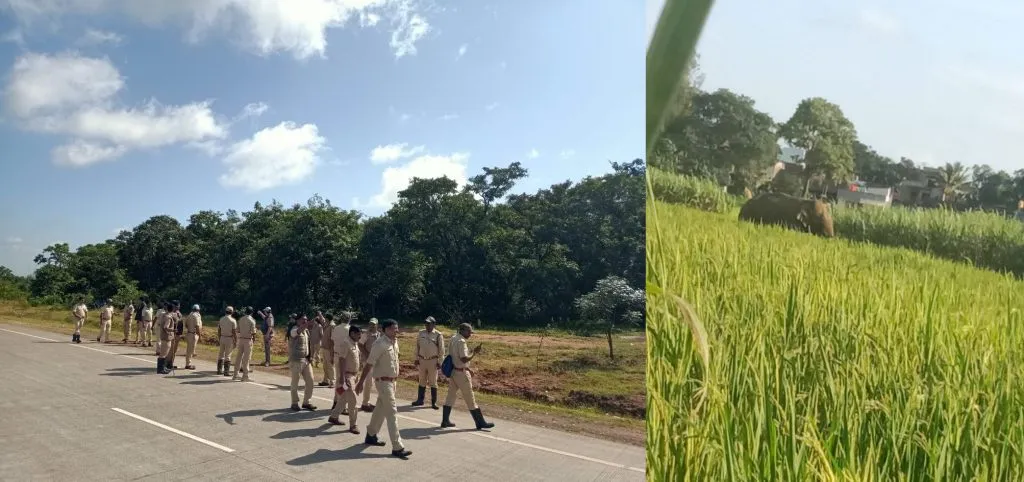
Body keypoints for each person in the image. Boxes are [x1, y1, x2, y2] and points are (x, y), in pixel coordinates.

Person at [355, 319, 411, 458]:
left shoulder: (394, 342)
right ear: (384, 330)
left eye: (397, 328)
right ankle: (397, 447)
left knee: (380, 409)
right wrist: (361, 382)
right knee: (392, 412)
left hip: (392, 382)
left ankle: (371, 434)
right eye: (393, 329)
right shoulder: (379, 344)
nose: (396, 331)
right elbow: (369, 364)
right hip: (383, 382)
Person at [440, 323, 494, 430]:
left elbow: (454, 357)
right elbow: (464, 359)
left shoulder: (453, 338)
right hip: (461, 374)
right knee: (470, 398)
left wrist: (468, 368)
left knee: (450, 396)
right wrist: (474, 353)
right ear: (462, 330)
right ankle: (480, 422)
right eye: (469, 332)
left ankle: (445, 420)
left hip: (454, 371)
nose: (470, 334)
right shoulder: (461, 342)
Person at [328, 325, 362, 433]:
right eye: (358, 333)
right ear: (352, 333)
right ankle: (353, 424)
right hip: (347, 376)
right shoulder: (345, 344)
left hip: (354, 375)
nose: (360, 336)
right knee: (353, 400)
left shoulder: (354, 343)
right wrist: (342, 378)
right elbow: (342, 360)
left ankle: (334, 417)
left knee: (344, 399)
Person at [412, 316, 445, 409]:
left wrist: (440, 361)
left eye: (429, 323)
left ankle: (434, 402)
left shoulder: (438, 335)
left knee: (433, 382)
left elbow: (441, 350)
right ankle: (420, 400)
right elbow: (417, 346)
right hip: (422, 360)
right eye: (426, 323)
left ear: (434, 324)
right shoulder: (421, 333)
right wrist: (416, 358)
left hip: (433, 361)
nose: (427, 325)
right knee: (421, 380)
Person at [288, 314, 317, 411]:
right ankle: (294, 403)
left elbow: (308, 344)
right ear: (297, 321)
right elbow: (298, 331)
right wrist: (307, 324)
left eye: (306, 319)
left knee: (311, 380)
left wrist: (310, 357)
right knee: (295, 382)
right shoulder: (293, 330)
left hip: (306, 360)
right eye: (303, 320)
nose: (305, 321)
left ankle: (306, 402)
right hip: (296, 360)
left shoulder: (306, 331)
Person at [358, 318, 381, 412]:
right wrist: (367, 354)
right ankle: (365, 403)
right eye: (370, 324)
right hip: (367, 361)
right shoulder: (366, 334)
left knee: (378, 381)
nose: (371, 326)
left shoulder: (379, 334)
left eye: (373, 324)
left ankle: (379, 402)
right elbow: (360, 345)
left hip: (377, 361)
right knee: (368, 382)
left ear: (377, 325)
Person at [232, 307, 257, 381]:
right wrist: (254, 339)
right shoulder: (252, 320)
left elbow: (238, 330)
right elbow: (253, 332)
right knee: (246, 358)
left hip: (241, 339)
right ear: (251, 312)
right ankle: (245, 376)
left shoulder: (241, 319)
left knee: (238, 357)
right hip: (248, 340)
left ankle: (235, 374)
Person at [217, 306, 238, 375]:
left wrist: (219, 338)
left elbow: (219, 330)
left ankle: (219, 370)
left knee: (221, 354)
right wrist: (236, 340)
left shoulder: (221, 319)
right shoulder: (233, 320)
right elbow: (234, 332)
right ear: (232, 312)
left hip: (222, 337)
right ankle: (226, 371)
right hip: (229, 338)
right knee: (228, 355)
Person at [155, 302, 173, 374]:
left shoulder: (163, 315)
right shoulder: (168, 317)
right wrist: (172, 330)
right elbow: (166, 327)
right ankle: (161, 369)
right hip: (166, 337)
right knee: (164, 353)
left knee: (163, 353)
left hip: (163, 336)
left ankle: (163, 368)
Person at [183, 304, 203, 370]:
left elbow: (186, 324)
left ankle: (188, 363)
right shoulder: (196, 316)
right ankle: (188, 364)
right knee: (190, 350)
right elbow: (197, 326)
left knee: (190, 349)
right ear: (198, 310)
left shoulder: (190, 315)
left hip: (189, 333)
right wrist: (200, 336)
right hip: (193, 334)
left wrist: (190, 328)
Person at [164, 301, 183, 370]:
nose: (179, 307)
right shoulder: (171, 314)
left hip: (178, 334)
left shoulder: (178, 313)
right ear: (174, 306)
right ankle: (166, 363)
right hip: (173, 333)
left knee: (174, 350)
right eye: (177, 306)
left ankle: (171, 363)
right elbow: (174, 322)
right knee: (171, 350)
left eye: (179, 306)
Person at [319, 313, 335, 388]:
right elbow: (322, 321)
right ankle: (326, 381)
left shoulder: (332, 326)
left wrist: (332, 351)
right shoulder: (327, 325)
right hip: (324, 348)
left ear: (328, 319)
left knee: (330, 366)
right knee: (325, 365)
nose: (324, 319)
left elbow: (333, 340)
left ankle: (332, 381)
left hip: (329, 349)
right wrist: (320, 315)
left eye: (325, 318)